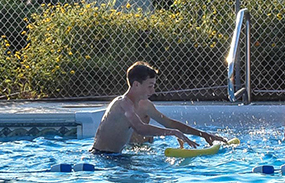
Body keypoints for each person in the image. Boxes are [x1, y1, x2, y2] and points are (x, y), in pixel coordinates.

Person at [92, 62, 224, 154]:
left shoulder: (145, 104)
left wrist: (204, 135)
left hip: (117, 157)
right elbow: (140, 128)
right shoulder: (122, 103)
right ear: (136, 85)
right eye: (150, 86)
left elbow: (169, 123)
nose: (153, 90)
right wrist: (172, 132)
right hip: (103, 157)